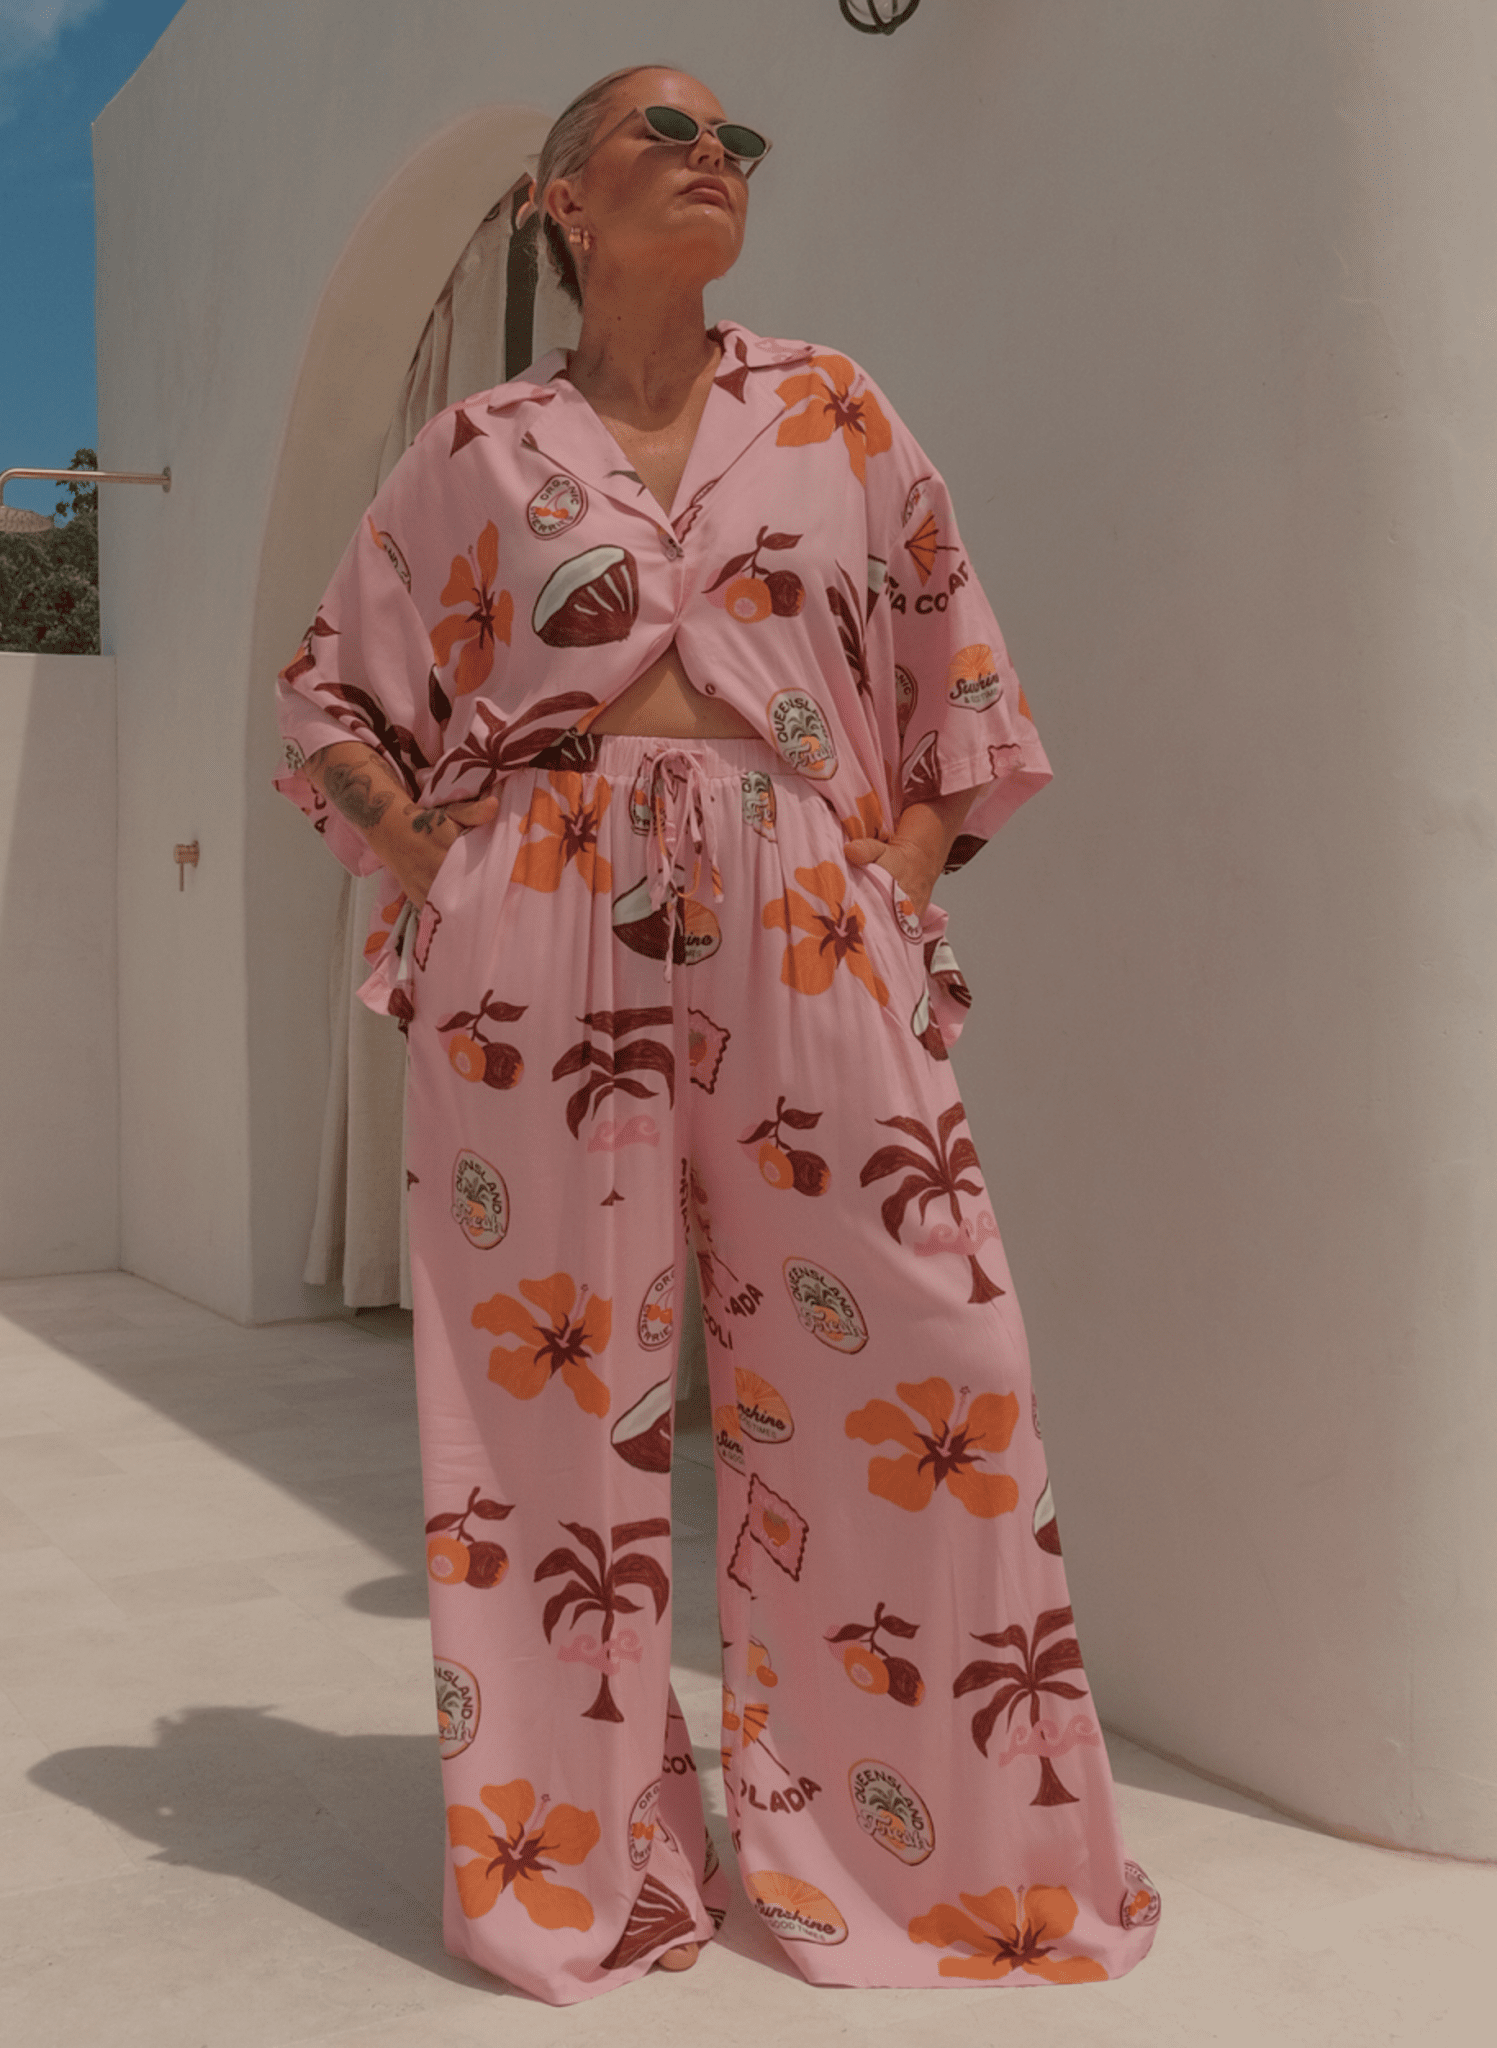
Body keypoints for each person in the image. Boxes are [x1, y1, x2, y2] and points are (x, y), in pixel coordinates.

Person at [274, 63, 1159, 2008]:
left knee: (929, 1361)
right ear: (560, 203)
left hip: (805, 900)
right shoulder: (476, 448)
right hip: (536, 920)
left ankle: (933, 1859)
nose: (711, 159)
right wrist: (438, 867)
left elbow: (960, 681)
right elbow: (330, 701)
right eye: (664, 134)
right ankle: (582, 1867)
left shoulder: (832, 409)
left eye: (734, 142)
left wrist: (889, 885)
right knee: (542, 1410)